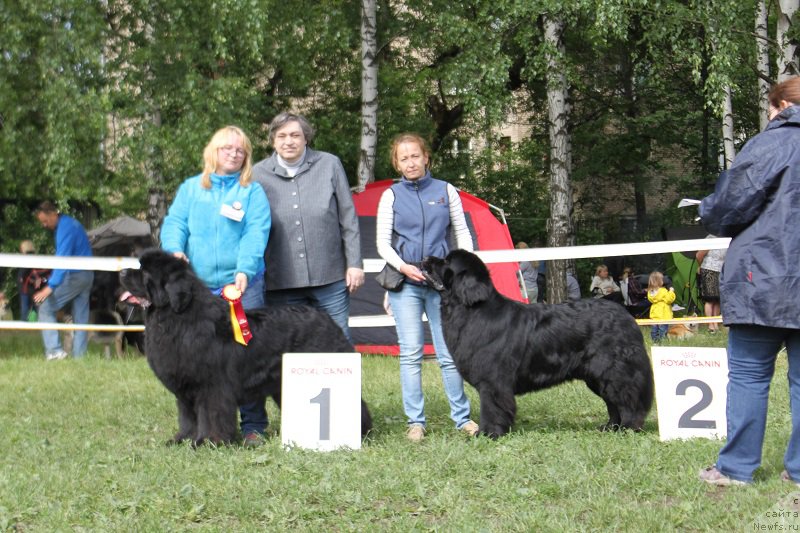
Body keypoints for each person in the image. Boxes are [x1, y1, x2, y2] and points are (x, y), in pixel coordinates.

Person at [698, 77, 800, 486]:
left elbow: (726, 207)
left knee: (748, 375)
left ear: (777, 106)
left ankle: (735, 470)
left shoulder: (769, 144)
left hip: (763, 277)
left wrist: (707, 210)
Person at [160, 125, 271, 446]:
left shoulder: (252, 191)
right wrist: (174, 249)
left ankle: (253, 426)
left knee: (245, 359)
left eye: (240, 151)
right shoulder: (191, 188)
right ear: (214, 152)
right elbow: (175, 224)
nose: (234, 154)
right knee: (195, 361)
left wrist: (245, 269)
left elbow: (256, 231)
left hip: (241, 286)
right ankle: (195, 426)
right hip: (198, 290)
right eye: (228, 149)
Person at [376, 132, 479, 442]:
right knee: (410, 354)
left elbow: (463, 235)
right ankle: (415, 422)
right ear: (397, 163)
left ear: (426, 158)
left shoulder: (447, 191)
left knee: (448, 353)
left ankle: (462, 418)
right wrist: (403, 267)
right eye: (403, 158)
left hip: (442, 285)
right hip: (405, 282)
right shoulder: (390, 196)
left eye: (415, 156)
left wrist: (463, 272)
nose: (410, 162)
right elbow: (382, 243)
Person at [251, 113, 364, 342]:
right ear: (273, 141)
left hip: (330, 277)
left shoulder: (330, 164)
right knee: (287, 348)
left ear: (306, 139)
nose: (288, 141)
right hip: (280, 281)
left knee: (338, 342)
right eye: (281, 136)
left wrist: (354, 264)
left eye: (295, 135)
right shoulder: (256, 174)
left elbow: (348, 217)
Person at [33, 201, 94, 360]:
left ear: (53, 214)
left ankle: (54, 351)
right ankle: (79, 357)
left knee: (45, 308)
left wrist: (50, 286)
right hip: (87, 275)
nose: (45, 225)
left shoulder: (65, 228)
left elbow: (62, 260)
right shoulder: (71, 224)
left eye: (45, 221)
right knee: (81, 317)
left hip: (76, 275)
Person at [695, 234, 726, 333]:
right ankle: (710, 325)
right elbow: (699, 255)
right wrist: (700, 266)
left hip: (722, 270)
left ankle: (716, 324)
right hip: (709, 269)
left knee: (717, 299)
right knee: (709, 299)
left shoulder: (728, 237)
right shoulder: (710, 237)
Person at [16, 240, 47, 321]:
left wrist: (21, 279)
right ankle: (41, 321)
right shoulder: (36, 257)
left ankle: (24, 324)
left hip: (25, 287)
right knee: (37, 305)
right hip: (36, 286)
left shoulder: (26, 258)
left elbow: (22, 274)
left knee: (25, 307)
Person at [647, 271, 674, 343]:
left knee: (654, 329)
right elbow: (669, 300)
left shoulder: (650, 291)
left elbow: (651, 299)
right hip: (663, 313)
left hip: (654, 312)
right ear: (660, 281)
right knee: (663, 329)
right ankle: (662, 342)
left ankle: (655, 341)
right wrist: (671, 291)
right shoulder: (663, 291)